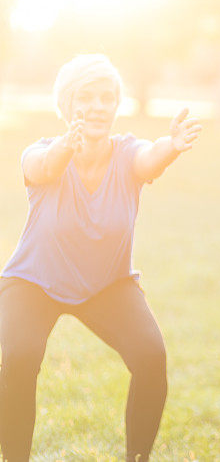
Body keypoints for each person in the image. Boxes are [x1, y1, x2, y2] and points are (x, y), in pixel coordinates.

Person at [0, 54, 202, 462]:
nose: (97, 106)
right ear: (67, 104)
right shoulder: (39, 152)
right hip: (35, 281)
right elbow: (43, 169)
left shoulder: (127, 153)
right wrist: (66, 147)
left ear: (116, 104)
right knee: (18, 357)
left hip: (107, 283)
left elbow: (149, 159)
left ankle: (137, 458)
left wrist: (172, 147)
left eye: (106, 97)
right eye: (86, 97)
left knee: (151, 357)